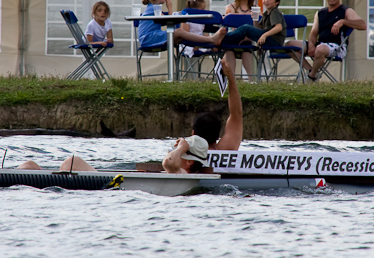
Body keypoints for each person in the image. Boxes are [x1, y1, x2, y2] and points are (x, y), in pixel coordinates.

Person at [58, 57, 243, 172]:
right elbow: (236, 114)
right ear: (217, 136)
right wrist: (231, 79)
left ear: (193, 133)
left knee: (71, 163)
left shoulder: (186, 155)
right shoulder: (226, 150)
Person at [288, 0, 366, 82]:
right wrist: (311, 44)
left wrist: (343, 21)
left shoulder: (346, 10)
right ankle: (312, 71)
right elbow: (313, 33)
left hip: (337, 46)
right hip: (320, 44)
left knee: (320, 50)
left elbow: (363, 25)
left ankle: (310, 78)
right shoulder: (320, 13)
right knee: (290, 45)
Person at [137, 0, 226, 48]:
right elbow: (168, 20)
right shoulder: (154, 8)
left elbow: (167, 20)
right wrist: (170, 8)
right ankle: (211, 40)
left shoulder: (152, 7)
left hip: (150, 37)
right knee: (179, 32)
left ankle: (209, 42)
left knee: (180, 36)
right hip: (148, 38)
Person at [221, 0, 286, 66]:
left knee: (246, 28)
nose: (266, 1)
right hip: (269, 40)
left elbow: (278, 27)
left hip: (275, 42)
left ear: (277, 2)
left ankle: (222, 39)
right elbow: (259, 28)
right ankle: (225, 40)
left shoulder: (274, 12)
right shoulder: (267, 13)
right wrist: (255, 19)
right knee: (246, 29)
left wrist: (264, 35)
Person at [224, 0, 257, 80]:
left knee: (246, 50)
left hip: (247, 41)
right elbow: (231, 25)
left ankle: (252, 81)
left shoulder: (255, 9)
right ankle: (231, 80)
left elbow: (258, 27)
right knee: (229, 49)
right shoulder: (230, 7)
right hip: (233, 39)